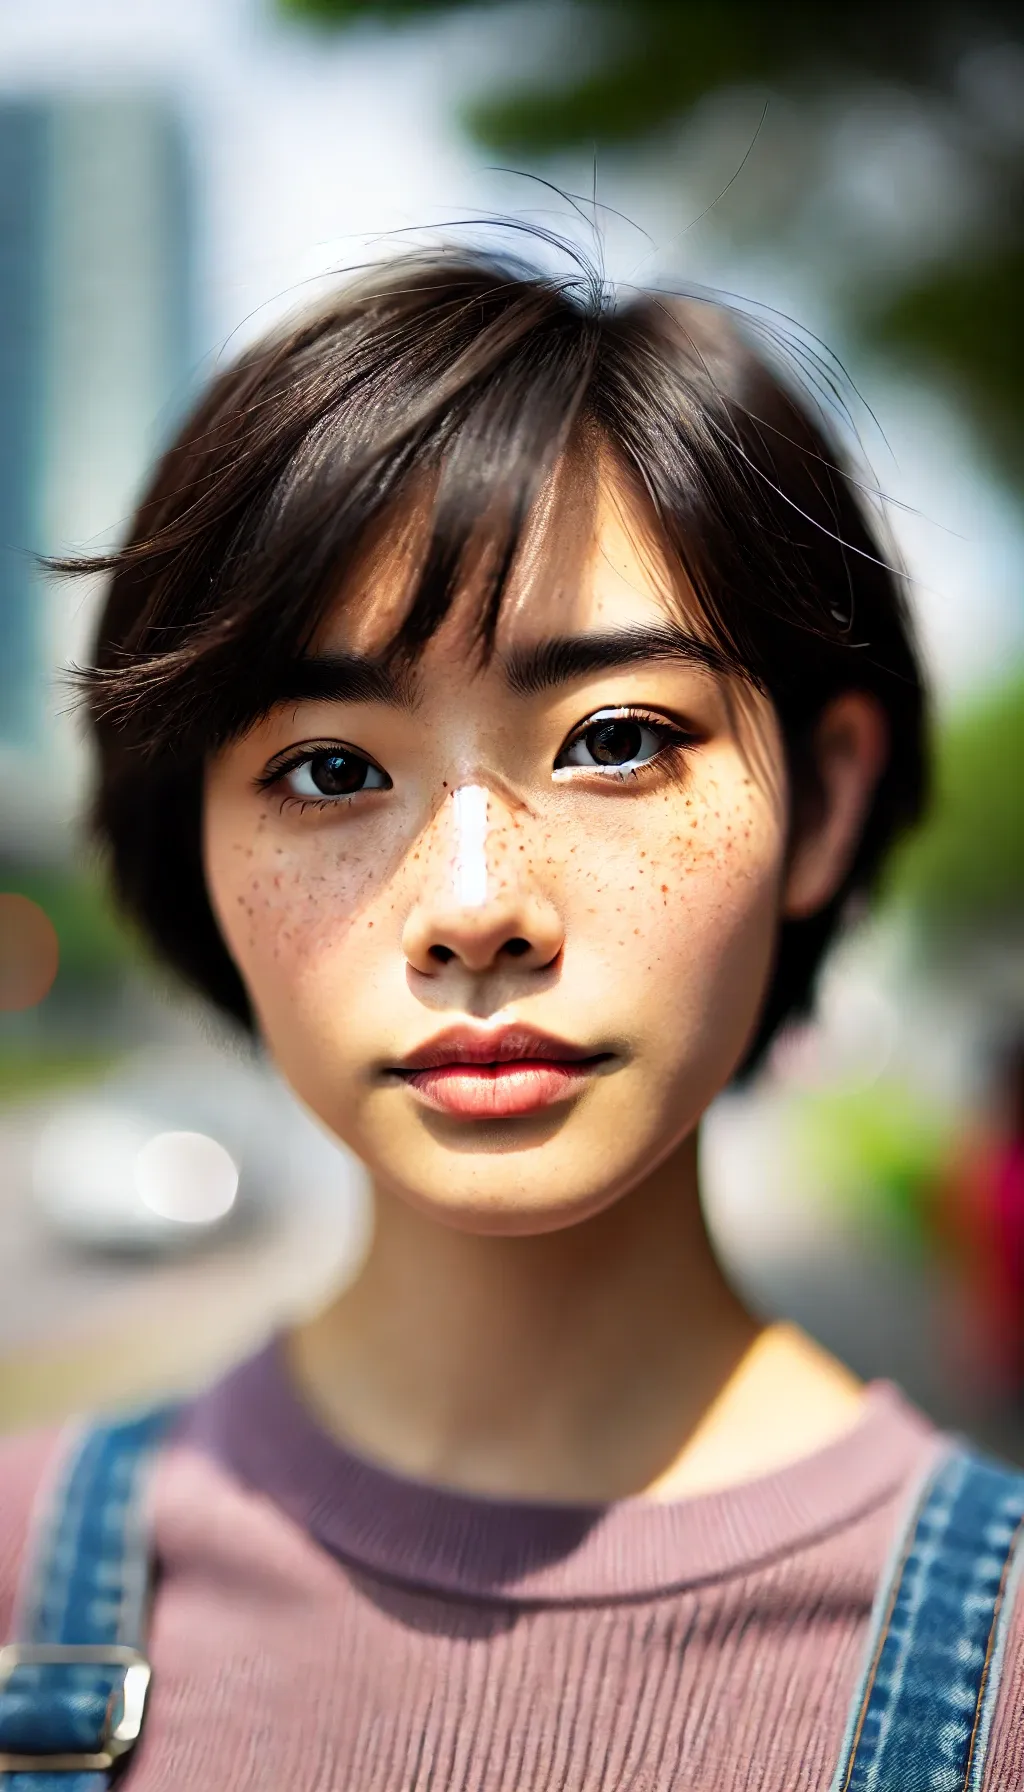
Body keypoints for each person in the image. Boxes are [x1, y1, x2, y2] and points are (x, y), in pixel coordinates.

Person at [1, 247, 1021, 1791]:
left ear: (825, 800)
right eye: (331, 768)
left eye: (616, 741)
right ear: (192, 844)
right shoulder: (21, 1588)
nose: (476, 905)